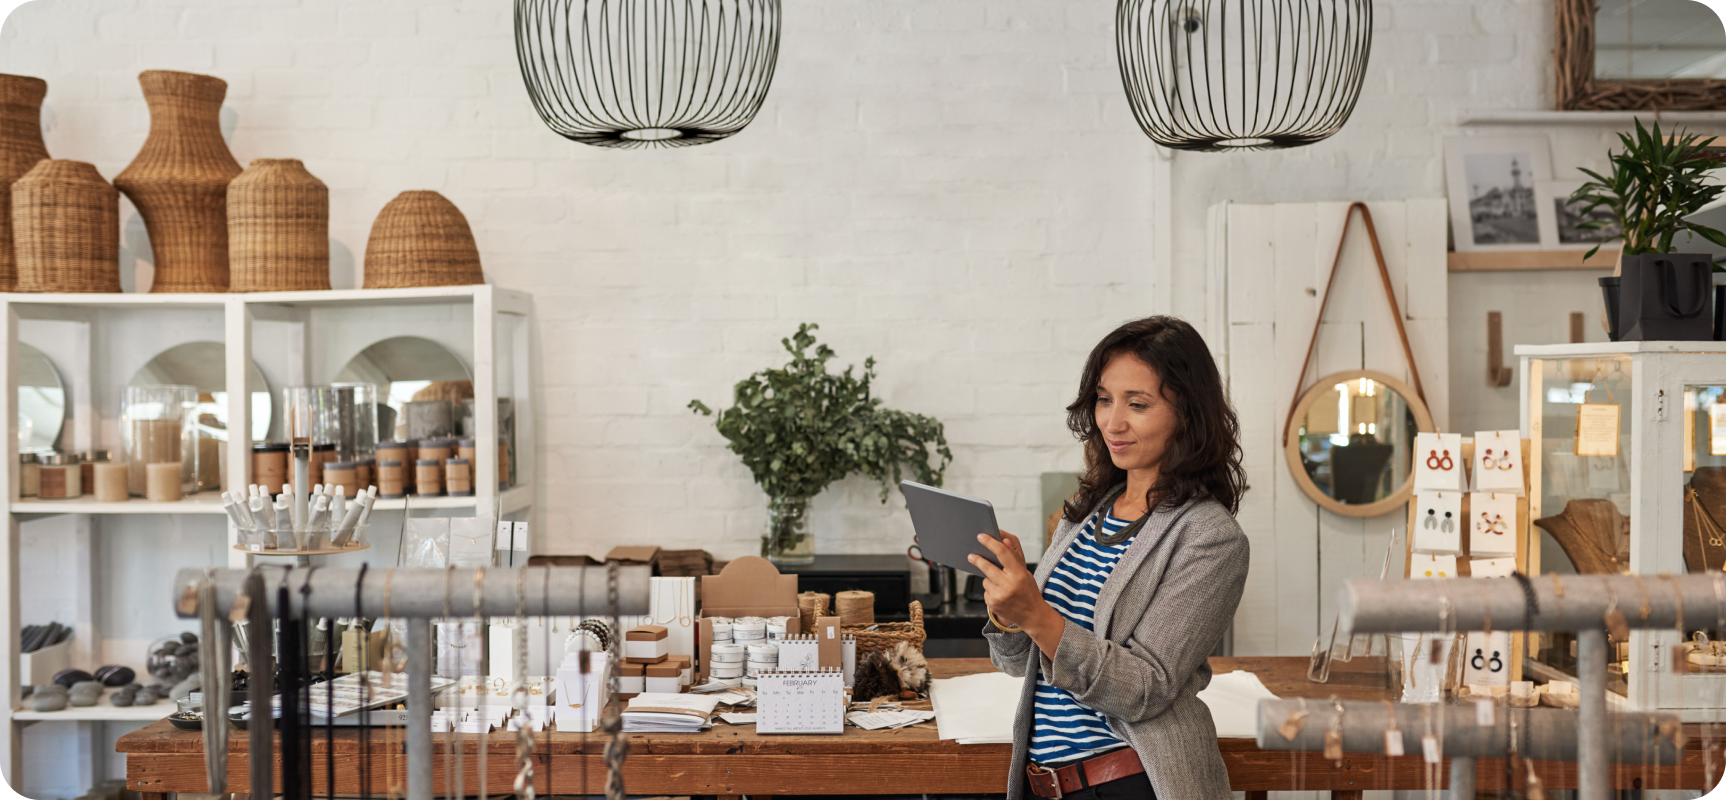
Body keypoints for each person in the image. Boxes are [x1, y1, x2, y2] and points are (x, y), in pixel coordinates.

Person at [971, 316, 1250, 800]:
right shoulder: (1086, 514)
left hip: (1131, 783)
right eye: (1104, 399)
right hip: (1045, 782)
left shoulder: (1210, 537)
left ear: (1187, 414)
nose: (1112, 422)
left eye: (1137, 404)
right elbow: (1021, 664)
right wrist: (1010, 607)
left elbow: (1144, 688)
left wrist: (1035, 613)